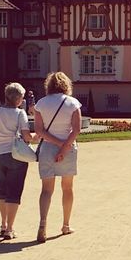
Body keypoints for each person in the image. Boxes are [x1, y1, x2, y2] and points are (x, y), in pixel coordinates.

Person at [33, 71, 82, 243]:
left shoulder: (41, 103)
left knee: (46, 190)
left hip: (47, 148)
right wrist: (64, 146)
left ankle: (42, 223)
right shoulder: (73, 103)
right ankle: (66, 225)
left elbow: (39, 131)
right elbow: (76, 129)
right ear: (66, 85)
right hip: (68, 148)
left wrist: (56, 143)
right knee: (67, 188)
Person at [0, 82, 36, 240]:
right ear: (19, 98)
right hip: (14, 155)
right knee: (14, 191)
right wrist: (38, 136)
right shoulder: (20, 113)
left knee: (2, 189)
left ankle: (3, 224)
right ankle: (10, 229)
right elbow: (27, 137)